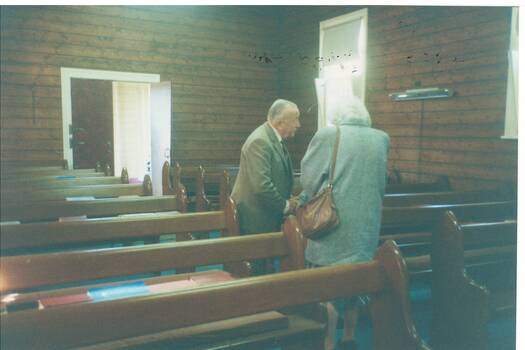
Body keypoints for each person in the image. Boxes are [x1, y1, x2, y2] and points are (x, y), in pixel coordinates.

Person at [297, 96, 389, 350]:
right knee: (356, 281)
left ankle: (328, 342)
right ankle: (350, 337)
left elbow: (310, 179)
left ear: (337, 116)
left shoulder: (329, 135)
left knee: (327, 282)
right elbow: (382, 183)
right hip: (366, 224)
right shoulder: (381, 138)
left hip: (332, 223)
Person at [231, 99, 301, 274]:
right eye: (295, 119)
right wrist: (285, 206)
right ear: (280, 122)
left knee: (266, 269)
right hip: (256, 217)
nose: (299, 125)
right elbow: (262, 186)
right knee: (257, 271)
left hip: (266, 213)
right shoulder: (260, 141)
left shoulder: (272, 138)